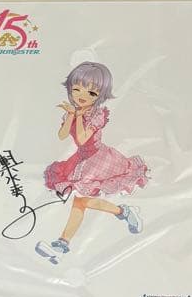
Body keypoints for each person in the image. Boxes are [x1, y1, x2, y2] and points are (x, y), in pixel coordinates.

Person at [37, 61, 148, 259]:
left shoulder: (97, 114)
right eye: (76, 89)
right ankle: (64, 244)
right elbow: (62, 135)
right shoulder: (74, 111)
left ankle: (64, 244)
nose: (82, 95)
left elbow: (82, 138)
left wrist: (78, 116)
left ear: (100, 95)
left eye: (91, 93)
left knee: (81, 200)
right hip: (81, 160)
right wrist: (71, 115)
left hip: (98, 160)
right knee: (80, 203)